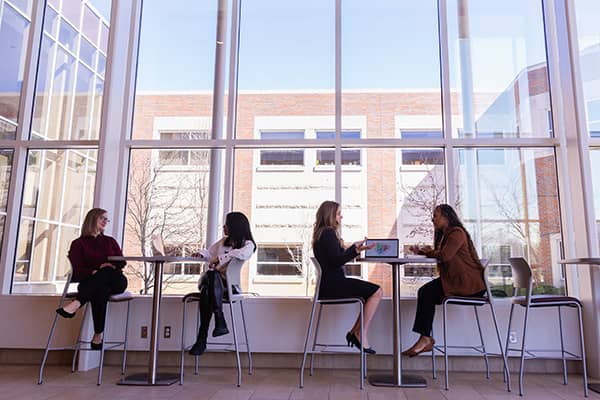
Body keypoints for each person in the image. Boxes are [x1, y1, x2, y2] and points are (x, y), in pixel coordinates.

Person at [403, 204, 486, 357]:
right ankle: (425, 338)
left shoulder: (457, 233)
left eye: (436, 215)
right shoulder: (446, 235)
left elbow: (445, 255)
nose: (432, 219)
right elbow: (442, 253)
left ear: (446, 217)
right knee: (426, 294)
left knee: (426, 293)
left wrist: (428, 252)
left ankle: (425, 339)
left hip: (469, 286)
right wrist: (423, 252)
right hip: (458, 282)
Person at [312, 201, 383, 354]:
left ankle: (356, 333)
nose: (341, 216)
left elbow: (335, 256)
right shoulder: (328, 233)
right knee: (377, 291)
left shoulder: (322, 234)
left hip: (328, 286)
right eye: (338, 213)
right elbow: (337, 260)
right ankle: (359, 333)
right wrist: (355, 251)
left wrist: (355, 248)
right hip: (334, 285)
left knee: (371, 293)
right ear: (330, 215)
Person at [56, 208, 128, 350]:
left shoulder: (110, 241)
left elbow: (122, 262)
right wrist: (95, 271)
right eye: (102, 218)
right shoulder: (78, 244)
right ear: (92, 219)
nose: (105, 222)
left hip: (116, 280)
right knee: (101, 289)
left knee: (105, 272)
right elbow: (77, 270)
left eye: (106, 219)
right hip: (91, 282)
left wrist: (107, 267)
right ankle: (97, 335)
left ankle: (77, 303)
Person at [188, 212, 256, 356]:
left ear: (235, 227)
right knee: (212, 276)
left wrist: (220, 258)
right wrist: (202, 254)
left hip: (229, 287)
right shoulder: (222, 242)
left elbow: (242, 254)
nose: (224, 227)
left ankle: (202, 339)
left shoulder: (248, 244)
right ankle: (219, 320)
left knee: (207, 291)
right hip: (212, 281)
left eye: (227, 224)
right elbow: (209, 253)